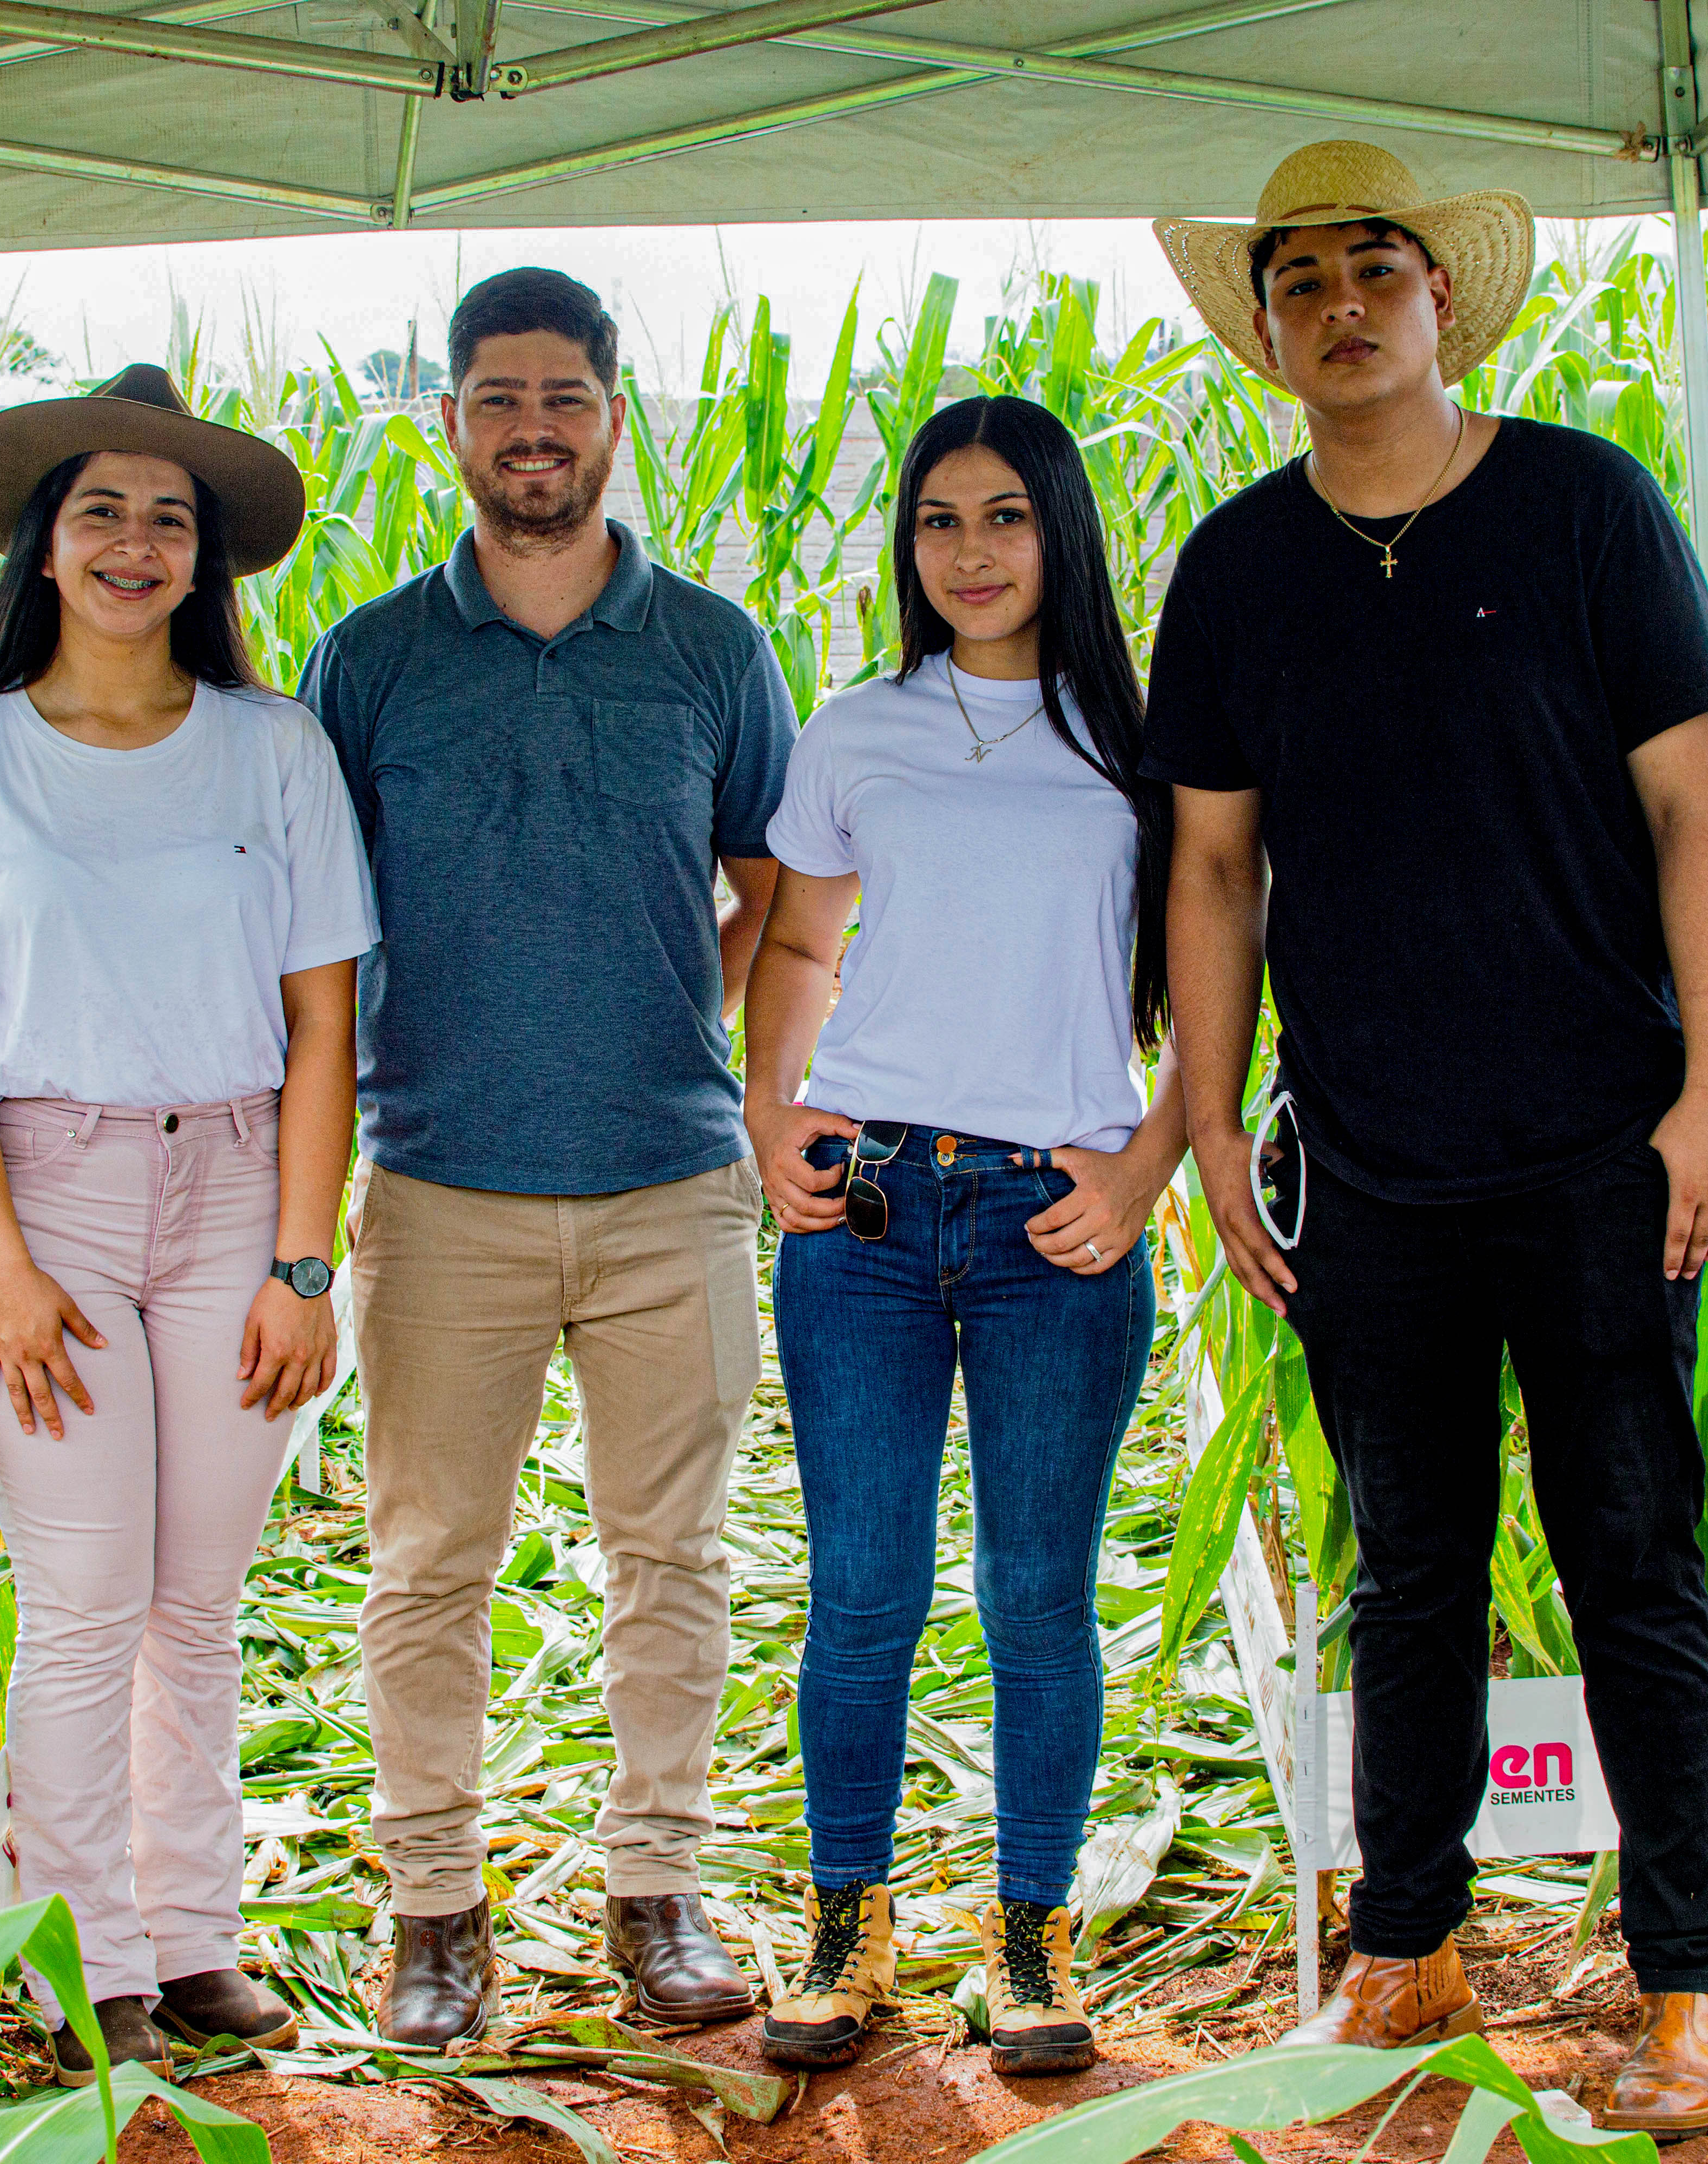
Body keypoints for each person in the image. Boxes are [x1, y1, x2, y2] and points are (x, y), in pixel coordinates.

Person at [1145, 143, 1708, 2135]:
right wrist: (1215, 1126)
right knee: (1406, 1568)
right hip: (1375, 1165)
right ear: (1265, 326)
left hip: (1600, 1147)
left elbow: (1698, 814)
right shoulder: (1236, 571)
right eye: (1298, 275)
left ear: (1440, 299)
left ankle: (1692, 1978)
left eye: (1375, 266)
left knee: (1632, 1562)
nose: (1340, 301)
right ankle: (1405, 1946)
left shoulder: (1585, 507)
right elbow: (1215, 869)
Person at [0, 365, 374, 2084]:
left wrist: (306, 1265)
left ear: (206, 557)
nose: (137, 543)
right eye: (104, 512)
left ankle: (195, 1938)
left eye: (170, 517)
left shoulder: (275, 745)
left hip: (240, 1186)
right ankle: (82, 1957)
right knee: (82, 1598)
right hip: (50, 1196)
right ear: (44, 542)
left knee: (196, 1603)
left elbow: (321, 1026)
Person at [298, 268, 796, 2046]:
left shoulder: (714, 649)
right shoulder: (370, 659)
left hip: (672, 1187)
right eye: (498, 397)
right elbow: (315, 935)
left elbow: (773, 887)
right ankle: (433, 1908)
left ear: (611, 414)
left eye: (564, 398)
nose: (532, 429)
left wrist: (685, 1008)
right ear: (451, 422)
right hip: (439, 1189)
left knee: (674, 1554)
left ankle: (658, 1890)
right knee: (433, 1561)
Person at [742, 396, 1186, 2079]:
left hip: (1051, 1218)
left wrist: (1147, 1169)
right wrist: (769, 1110)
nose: (971, 552)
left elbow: (1224, 985)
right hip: (860, 1208)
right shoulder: (858, 727)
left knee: (1033, 1595)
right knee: (860, 1591)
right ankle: (846, 1929)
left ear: (1058, 532)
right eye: (939, 521)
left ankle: (1030, 1936)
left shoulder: (1141, 740)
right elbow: (795, 947)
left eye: (1004, 516)